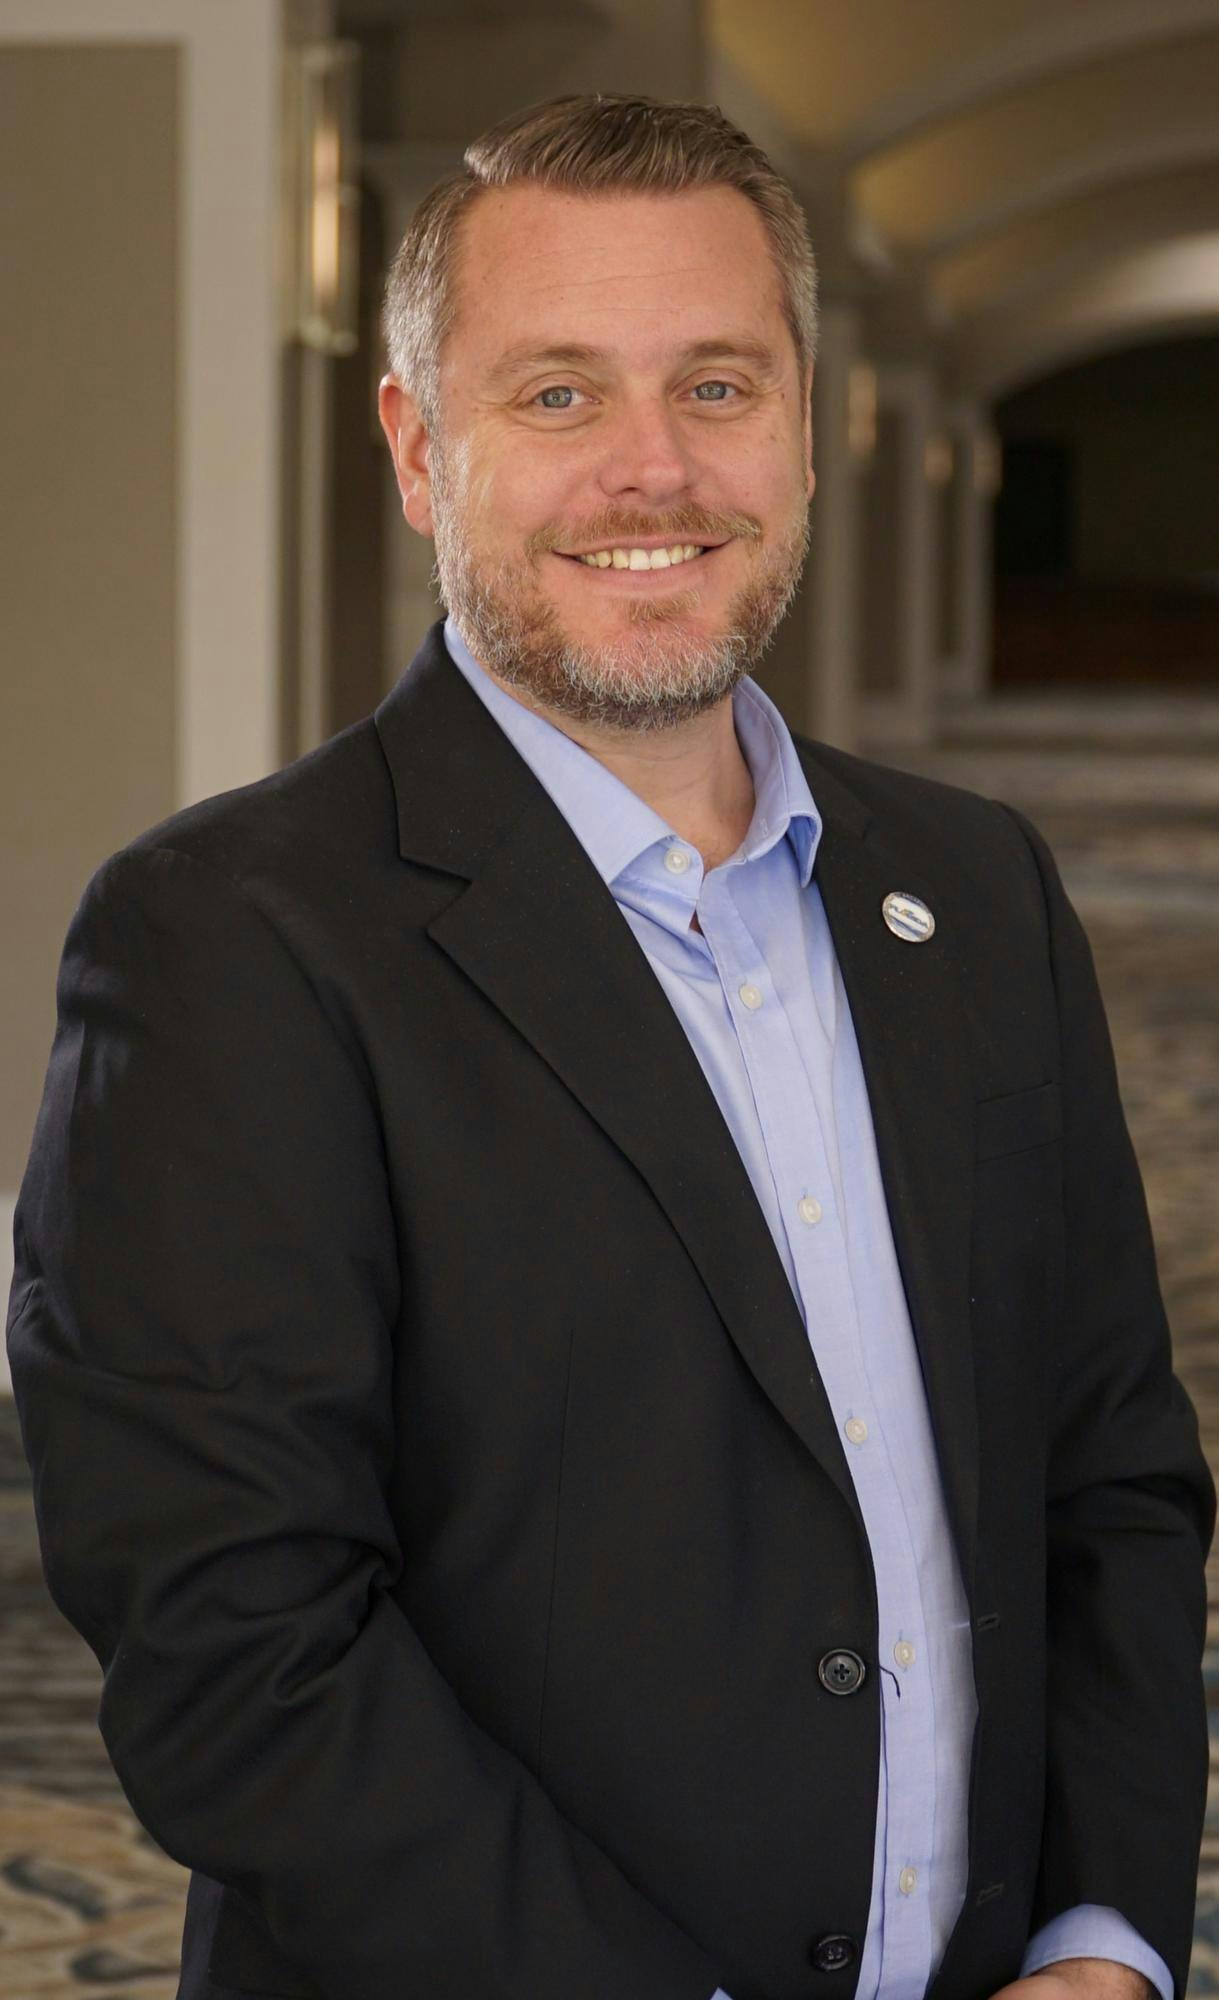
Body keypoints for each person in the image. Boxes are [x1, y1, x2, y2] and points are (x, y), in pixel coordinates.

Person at [5, 92, 1213, 2000]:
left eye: (717, 386)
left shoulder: (975, 889)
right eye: (559, 394)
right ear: (422, 447)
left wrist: (1107, 1934)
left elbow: (1112, 1468)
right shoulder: (224, 940)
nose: (654, 472)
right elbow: (238, 1646)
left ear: (802, 427)